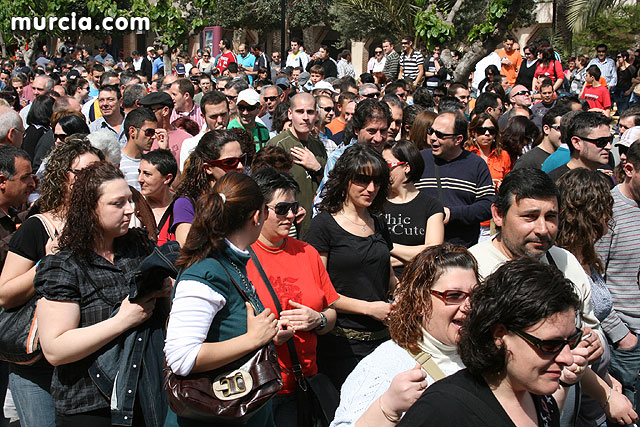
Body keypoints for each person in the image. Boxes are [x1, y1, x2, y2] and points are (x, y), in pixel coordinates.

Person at [35, 162, 169, 426]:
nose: (130, 210)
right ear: (89, 209)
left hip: (146, 397)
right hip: (89, 406)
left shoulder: (139, 247)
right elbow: (55, 349)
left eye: (130, 200)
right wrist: (121, 321)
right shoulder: (65, 265)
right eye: (117, 203)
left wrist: (166, 290)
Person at [399, 258, 591, 427]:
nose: (567, 358)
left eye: (572, 341)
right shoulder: (444, 409)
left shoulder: (540, 397)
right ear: (499, 335)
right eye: (550, 345)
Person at [164, 172, 281, 427]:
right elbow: (182, 357)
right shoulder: (206, 271)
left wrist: (267, 335)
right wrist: (252, 339)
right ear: (256, 217)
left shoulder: (230, 261)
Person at [331, 244, 477, 426]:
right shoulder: (386, 365)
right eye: (454, 295)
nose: (469, 306)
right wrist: (387, 408)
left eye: (476, 295)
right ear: (420, 301)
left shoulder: (487, 356)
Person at [246, 168, 338, 426]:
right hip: (264, 388)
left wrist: (316, 320)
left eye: (294, 207)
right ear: (259, 210)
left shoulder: (307, 252)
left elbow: (331, 312)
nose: (291, 216)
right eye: (282, 208)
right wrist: (267, 337)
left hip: (307, 382)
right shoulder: (242, 257)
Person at [305, 144, 397, 390]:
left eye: (377, 182)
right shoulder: (323, 226)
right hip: (341, 344)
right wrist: (369, 309)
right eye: (362, 181)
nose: (371, 189)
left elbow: (388, 278)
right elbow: (319, 291)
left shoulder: (378, 222)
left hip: (383, 340)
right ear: (345, 180)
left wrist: (402, 295)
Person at [555, 168, 622, 426]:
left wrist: (606, 377)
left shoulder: (587, 256)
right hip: (577, 391)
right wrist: (604, 393)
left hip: (596, 384)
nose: (610, 216)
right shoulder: (562, 264)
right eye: (606, 207)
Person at [595, 140, 640, 412]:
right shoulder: (608, 211)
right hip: (628, 340)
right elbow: (591, 277)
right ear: (629, 168)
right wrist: (621, 334)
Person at [415, 110, 495, 247]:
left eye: (440, 135)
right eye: (431, 131)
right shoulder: (419, 160)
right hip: (421, 248)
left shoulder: (476, 164)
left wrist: (453, 214)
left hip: (461, 250)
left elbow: (487, 206)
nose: (433, 137)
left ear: (458, 139)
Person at [172, 129, 248, 246]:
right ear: (208, 168)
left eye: (242, 159)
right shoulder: (186, 203)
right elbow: (187, 247)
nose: (240, 166)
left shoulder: (247, 195)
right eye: (230, 162)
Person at [267, 93, 327, 234]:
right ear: (290, 114)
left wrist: (317, 168)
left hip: (316, 226)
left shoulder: (318, 146)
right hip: (289, 227)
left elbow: (327, 185)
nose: (305, 117)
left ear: (316, 115)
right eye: (300, 111)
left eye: (310, 112)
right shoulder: (278, 145)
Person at [382, 140, 444, 278]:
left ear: (406, 167)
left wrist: (387, 246)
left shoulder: (431, 206)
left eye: (387, 165)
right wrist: (415, 255)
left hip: (417, 284)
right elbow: (368, 253)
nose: (381, 170)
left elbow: (433, 252)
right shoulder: (375, 204)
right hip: (381, 284)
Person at [465, 112, 511, 240]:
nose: (486, 134)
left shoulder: (503, 156)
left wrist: (503, 186)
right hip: (472, 218)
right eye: (481, 130)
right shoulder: (466, 155)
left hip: (494, 220)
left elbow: (509, 184)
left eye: (491, 131)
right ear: (473, 132)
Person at [137, 149, 177, 245]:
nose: (139, 179)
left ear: (167, 178)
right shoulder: (135, 205)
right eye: (139, 172)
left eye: (147, 174)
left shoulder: (181, 206)